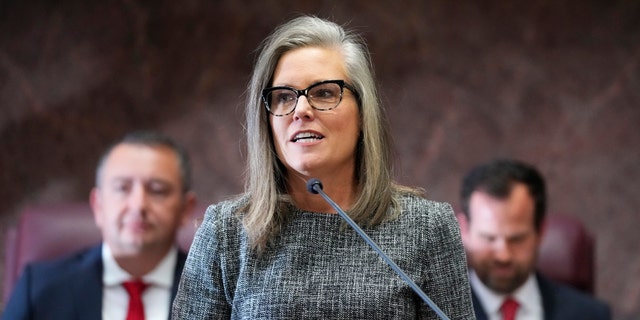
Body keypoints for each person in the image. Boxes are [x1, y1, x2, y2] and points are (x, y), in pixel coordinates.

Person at [171, 15, 474, 320]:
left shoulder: (428, 229)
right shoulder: (226, 231)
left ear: (362, 113)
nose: (301, 110)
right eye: (284, 97)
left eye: (325, 93)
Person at [3, 130, 197, 320]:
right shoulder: (41, 287)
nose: (138, 205)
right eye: (122, 188)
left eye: (157, 190)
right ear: (97, 205)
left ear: (186, 209)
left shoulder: (218, 292)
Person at [458, 158, 611, 320]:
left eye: (516, 239)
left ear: (540, 231)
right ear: (464, 229)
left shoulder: (590, 315)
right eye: (489, 238)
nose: (503, 256)